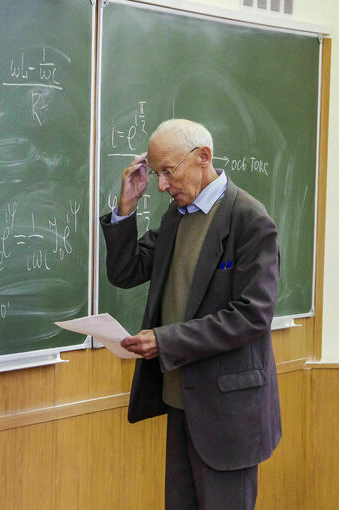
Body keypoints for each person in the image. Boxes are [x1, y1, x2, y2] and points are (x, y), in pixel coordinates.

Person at [100, 119, 281, 510]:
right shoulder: (177, 215)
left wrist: (165, 340)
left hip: (227, 412)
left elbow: (252, 315)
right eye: (157, 174)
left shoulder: (249, 219)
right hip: (181, 399)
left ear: (203, 157)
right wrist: (126, 209)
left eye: (168, 171)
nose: (162, 185)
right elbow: (126, 271)